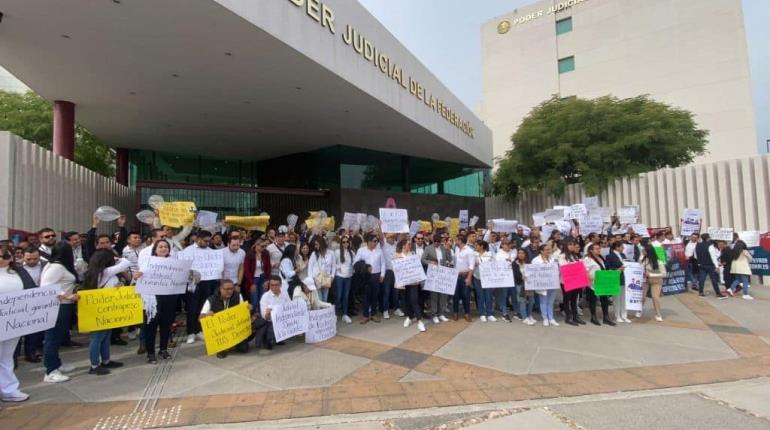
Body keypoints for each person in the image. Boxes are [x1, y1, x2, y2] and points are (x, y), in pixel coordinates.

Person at [134, 239, 187, 364]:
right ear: (155, 249)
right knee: (151, 327)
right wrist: (137, 275)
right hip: (152, 300)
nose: (163, 249)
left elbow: (180, 278)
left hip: (169, 298)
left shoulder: (174, 263)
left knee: (166, 326)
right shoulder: (148, 262)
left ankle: (163, 349)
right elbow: (140, 276)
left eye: (166, 247)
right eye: (160, 247)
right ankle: (150, 353)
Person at [81, 250, 131, 375]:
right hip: (101, 309)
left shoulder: (96, 273)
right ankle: (94, 365)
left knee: (106, 335)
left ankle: (106, 360)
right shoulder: (105, 272)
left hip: (105, 308)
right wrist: (117, 258)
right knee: (97, 337)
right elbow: (126, 263)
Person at [0, 243, 37, 402]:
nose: (1, 259)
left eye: (5, 256)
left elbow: (34, 292)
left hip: (13, 322)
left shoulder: (19, 272)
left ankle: (9, 389)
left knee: (7, 357)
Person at [40, 241, 81, 383]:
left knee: (57, 337)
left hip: (64, 305)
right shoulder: (56, 267)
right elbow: (46, 286)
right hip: (59, 305)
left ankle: (56, 364)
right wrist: (67, 295)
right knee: (52, 338)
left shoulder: (58, 265)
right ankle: (50, 370)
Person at [183, 231, 219, 344]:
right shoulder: (188, 251)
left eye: (209, 241)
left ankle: (199, 330)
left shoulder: (211, 252)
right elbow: (183, 267)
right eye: (205, 241)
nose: (207, 243)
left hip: (207, 283)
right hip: (193, 284)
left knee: (203, 307)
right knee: (192, 309)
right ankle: (190, 332)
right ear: (198, 239)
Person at [200, 279, 250, 358]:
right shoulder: (211, 300)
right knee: (221, 351)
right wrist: (206, 315)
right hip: (220, 332)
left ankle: (232, 345)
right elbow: (200, 318)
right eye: (227, 289)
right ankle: (224, 347)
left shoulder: (238, 296)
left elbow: (243, 312)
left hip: (234, 329)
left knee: (244, 349)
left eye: (231, 289)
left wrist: (248, 308)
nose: (229, 291)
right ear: (220, 289)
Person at [393, 239, 426, 332]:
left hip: (413, 283)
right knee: (405, 301)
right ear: (403, 245)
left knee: (414, 301)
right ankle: (409, 317)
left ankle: (419, 321)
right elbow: (395, 269)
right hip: (403, 283)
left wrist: (418, 278)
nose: (410, 246)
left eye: (410, 245)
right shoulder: (397, 255)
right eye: (408, 244)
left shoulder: (413, 255)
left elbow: (417, 268)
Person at [20, 246, 46, 362]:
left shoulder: (46, 265)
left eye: (35, 259)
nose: (31, 261)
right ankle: (28, 353)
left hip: (42, 300)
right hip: (23, 302)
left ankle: (36, 350)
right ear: (23, 256)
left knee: (38, 328)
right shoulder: (17, 267)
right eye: (28, 259)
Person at [353, 234, 386, 324]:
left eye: (376, 241)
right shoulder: (361, 251)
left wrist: (382, 275)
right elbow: (355, 263)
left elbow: (383, 263)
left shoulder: (379, 251)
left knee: (375, 296)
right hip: (366, 277)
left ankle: (374, 314)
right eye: (374, 241)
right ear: (369, 242)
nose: (376, 243)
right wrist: (365, 267)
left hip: (376, 276)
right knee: (366, 296)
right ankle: (366, 315)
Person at [422, 233, 453, 324]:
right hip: (433, 274)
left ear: (441, 242)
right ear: (433, 241)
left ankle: (441, 313)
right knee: (434, 295)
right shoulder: (428, 248)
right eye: (435, 241)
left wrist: (448, 250)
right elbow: (423, 259)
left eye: (438, 242)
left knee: (443, 294)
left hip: (443, 274)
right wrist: (430, 262)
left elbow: (450, 259)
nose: (436, 243)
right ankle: (434, 314)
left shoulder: (444, 248)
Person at [256, 275, 291, 350]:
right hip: (269, 321)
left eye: (276, 285)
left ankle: (278, 338)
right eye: (272, 285)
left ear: (280, 285)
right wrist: (267, 314)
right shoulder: (265, 296)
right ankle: (267, 339)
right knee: (269, 328)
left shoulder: (285, 293)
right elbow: (264, 316)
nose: (274, 287)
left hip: (282, 319)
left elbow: (290, 306)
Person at [584, 244, 615, 326]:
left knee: (604, 299)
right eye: (596, 249)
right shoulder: (587, 259)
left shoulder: (600, 258)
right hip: (592, 283)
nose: (599, 250)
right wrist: (589, 276)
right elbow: (584, 271)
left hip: (602, 282)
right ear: (591, 250)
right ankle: (593, 317)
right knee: (593, 300)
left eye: (599, 248)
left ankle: (606, 317)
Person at [531, 244, 559, 327]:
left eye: (549, 250)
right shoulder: (536, 260)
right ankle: (545, 318)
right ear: (541, 251)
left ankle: (551, 318)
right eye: (546, 250)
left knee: (550, 302)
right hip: (542, 284)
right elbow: (533, 272)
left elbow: (557, 270)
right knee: (543, 301)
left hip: (552, 283)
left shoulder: (553, 259)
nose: (548, 251)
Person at [558, 240, 585, 326]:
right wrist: (577, 265)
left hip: (576, 281)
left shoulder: (575, 256)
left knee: (574, 300)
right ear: (565, 246)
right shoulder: (562, 256)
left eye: (573, 245)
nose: (572, 246)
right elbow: (564, 267)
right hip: (566, 281)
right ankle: (568, 317)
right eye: (570, 245)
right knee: (567, 300)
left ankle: (575, 316)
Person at [605, 241, 631, 323]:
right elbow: (608, 268)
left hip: (624, 279)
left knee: (624, 298)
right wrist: (617, 270)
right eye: (622, 247)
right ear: (616, 247)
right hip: (616, 278)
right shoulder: (609, 256)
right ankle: (617, 315)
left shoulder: (623, 255)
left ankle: (624, 315)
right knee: (616, 298)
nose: (623, 248)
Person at [639, 243, 666, 321]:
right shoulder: (643, 259)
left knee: (655, 297)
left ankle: (658, 314)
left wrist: (650, 274)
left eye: (644, 250)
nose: (643, 251)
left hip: (656, 281)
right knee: (642, 296)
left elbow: (664, 274)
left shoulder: (659, 261)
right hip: (645, 281)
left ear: (649, 252)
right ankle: (639, 310)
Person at [453, 235, 474, 322]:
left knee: (466, 296)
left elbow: (471, 266)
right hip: (455, 276)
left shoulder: (469, 251)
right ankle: (455, 312)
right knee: (455, 296)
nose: (455, 241)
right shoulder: (456, 249)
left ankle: (467, 313)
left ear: (460, 240)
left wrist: (469, 278)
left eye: (456, 240)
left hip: (464, 276)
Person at [494, 239, 516, 322]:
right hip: (504, 278)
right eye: (505, 244)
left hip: (513, 277)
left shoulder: (513, 252)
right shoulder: (498, 254)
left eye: (509, 244)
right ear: (502, 245)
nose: (507, 245)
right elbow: (497, 265)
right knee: (504, 295)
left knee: (514, 295)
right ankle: (504, 313)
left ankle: (516, 311)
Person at [472, 240, 495, 322]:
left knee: (489, 296)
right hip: (477, 277)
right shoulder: (474, 254)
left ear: (482, 246)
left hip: (488, 278)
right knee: (480, 296)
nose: (475, 247)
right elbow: (470, 265)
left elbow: (494, 265)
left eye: (477, 245)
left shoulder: (490, 254)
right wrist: (475, 265)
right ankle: (482, 313)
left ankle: (489, 313)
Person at [333, 235, 354, 323]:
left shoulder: (351, 252)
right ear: (341, 243)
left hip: (348, 277)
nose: (345, 243)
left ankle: (345, 314)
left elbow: (354, 263)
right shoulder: (337, 252)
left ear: (349, 243)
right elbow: (333, 263)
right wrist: (339, 268)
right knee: (339, 296)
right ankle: (336, 314)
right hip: (339, 277)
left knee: (346, 296)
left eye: (347, 242)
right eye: (343, 242)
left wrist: (353, 271)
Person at [309, 237, 335, 303]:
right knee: (319, 299)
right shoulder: (314, 254)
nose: (315, 246)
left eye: (317, 244)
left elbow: (334, 266)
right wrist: (312, 279)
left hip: (327, 278)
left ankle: (325, 312)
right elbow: (310, 268)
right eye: (315, 244)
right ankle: (321, 312)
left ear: (321, 244)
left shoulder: (331, 253)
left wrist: (332, 277)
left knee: (325, 298)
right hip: (316, 279)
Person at [514, 249, 536, 325]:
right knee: (522, 301)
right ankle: (524, 317)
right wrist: (522, 277)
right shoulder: (515, 263)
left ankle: (529, 315)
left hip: (529, 284)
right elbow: (515, 275)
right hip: (520, 284)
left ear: (525, 254)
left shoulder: (529, 263)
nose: (520, 254)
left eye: (522, 253)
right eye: (519, 253)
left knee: (531, 300)